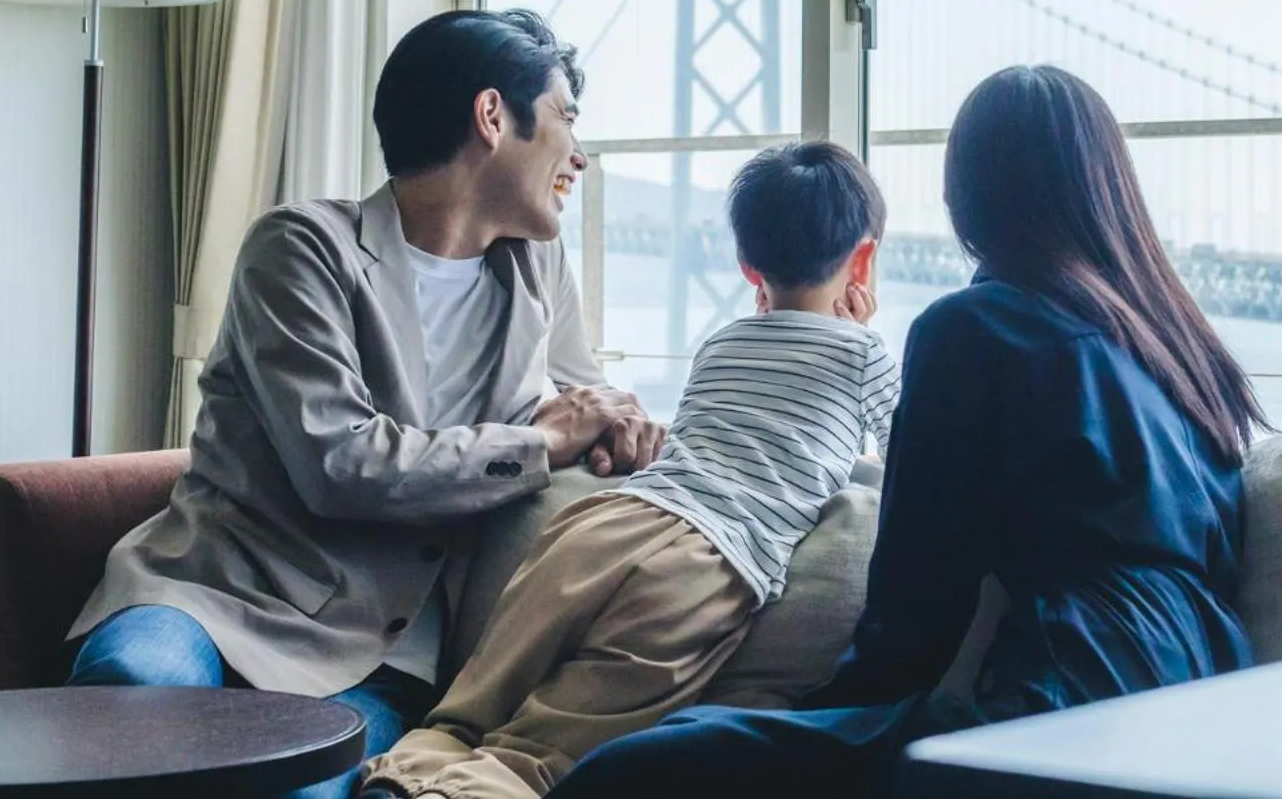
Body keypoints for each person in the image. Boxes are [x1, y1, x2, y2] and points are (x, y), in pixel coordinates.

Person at [548, 64, 1269, 799]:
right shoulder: (1181, 351)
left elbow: (916, 611)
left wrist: (818, 722)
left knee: (630, 769)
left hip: (1073, 712)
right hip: (1211, 703)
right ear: (1109, 184)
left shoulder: (972, 328)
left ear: (967, 197)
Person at [65, 9, 665, 799]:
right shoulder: (303, 247)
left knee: (303, 791)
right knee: (134, 698)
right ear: (492, 117)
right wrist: (540, 443)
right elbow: (341, 464)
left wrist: (625, 421)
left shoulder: (538, 271)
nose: (579, 154)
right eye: (565, 117)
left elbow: (586, 395)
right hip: (214, 593)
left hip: (378, 651)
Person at [358, 141, 899, 799]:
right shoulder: (865, 351)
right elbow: (909, 460)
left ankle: (401, 774)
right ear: (865, 259)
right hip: (704, 558)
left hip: (603, 525)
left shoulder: (720, 342)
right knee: (559, 741)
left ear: (746, 265)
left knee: (470, 702)